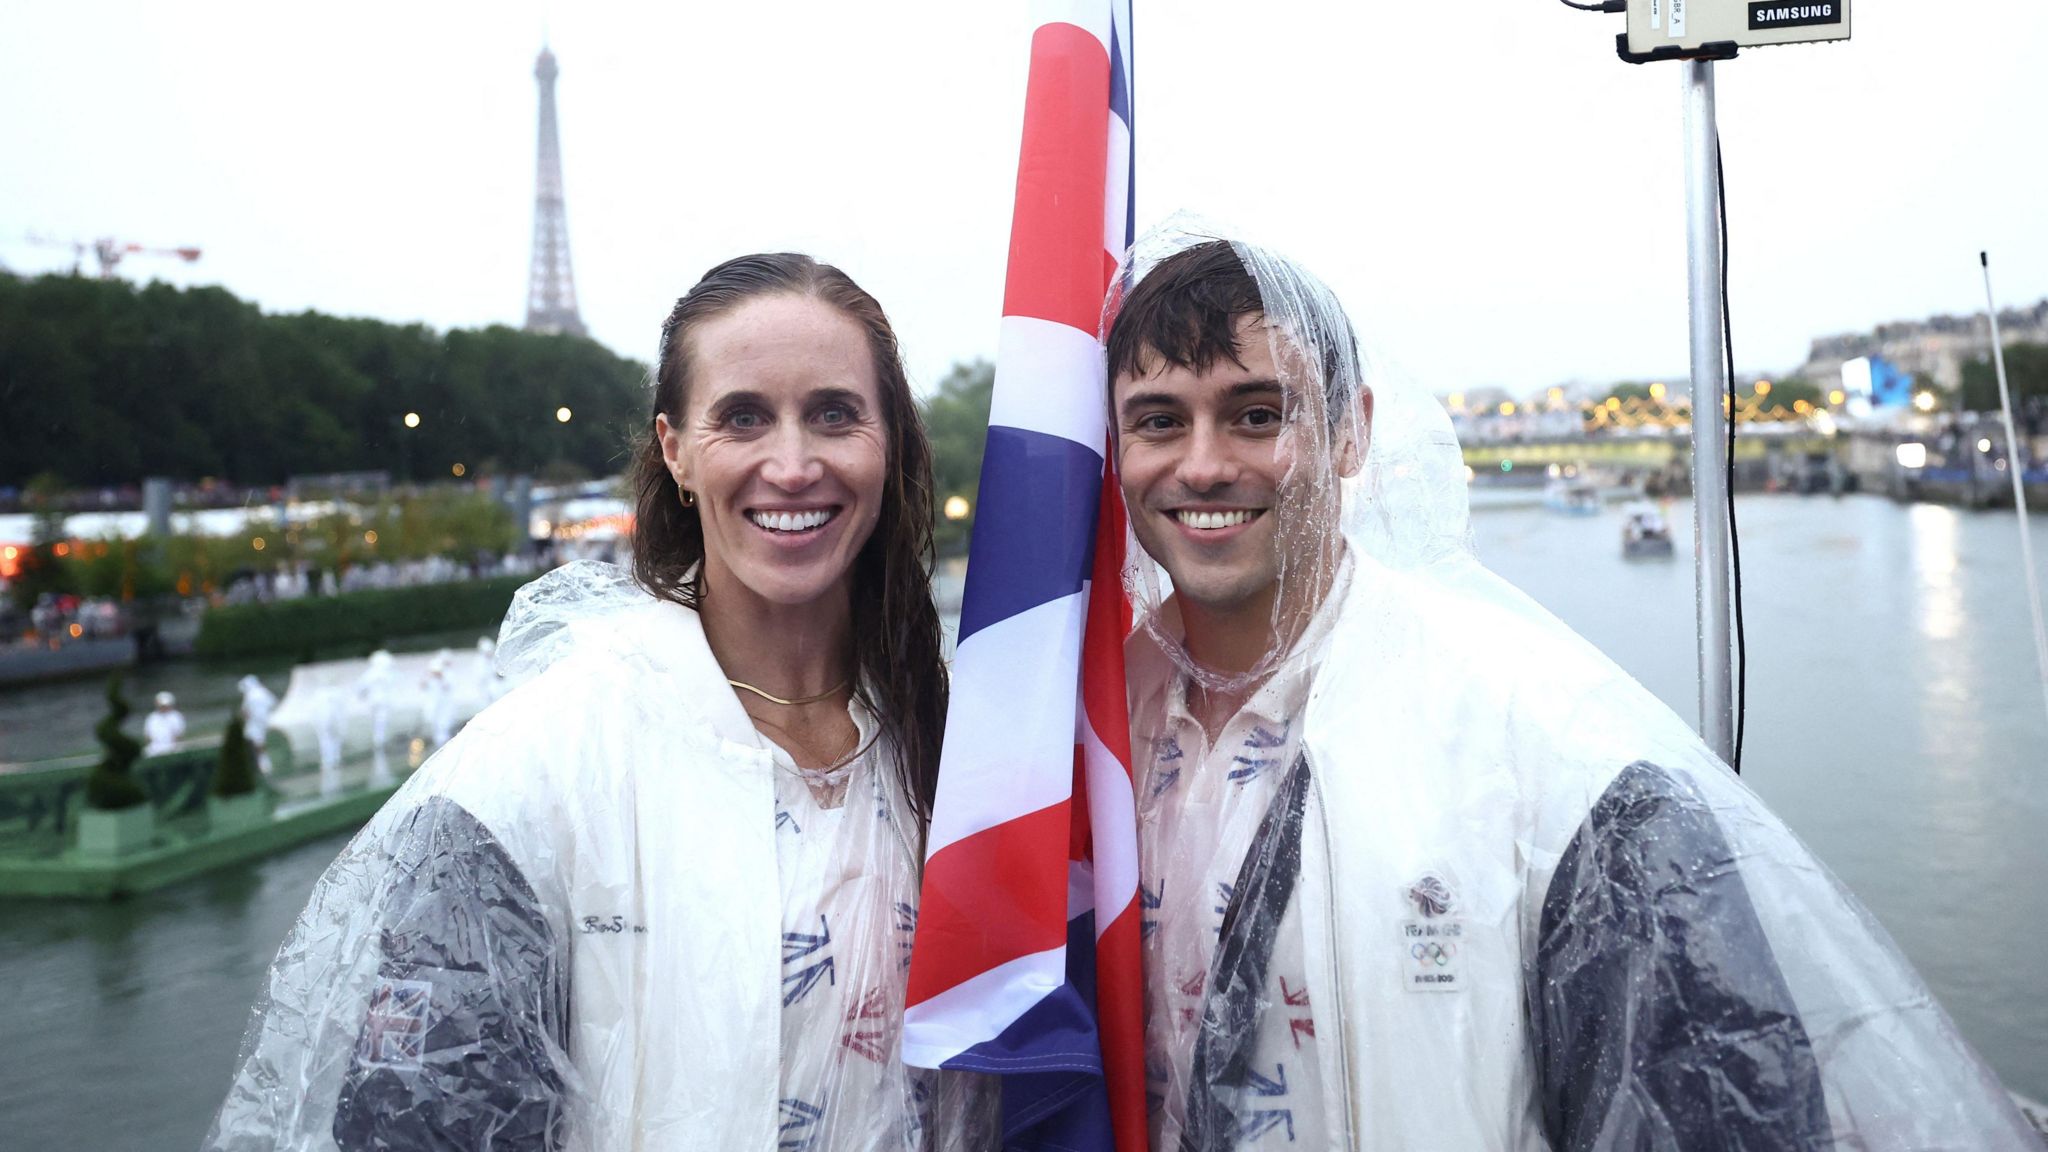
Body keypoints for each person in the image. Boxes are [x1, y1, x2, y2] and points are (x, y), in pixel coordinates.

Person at [1104, 229, 2037, 1150]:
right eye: (1158, 421)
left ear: (1353, 433)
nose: (1203, 464)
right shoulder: (1093, 735)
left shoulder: (1546, 750)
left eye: (1258, 415)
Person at [206, 253, 990, 1151]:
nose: (792, 461)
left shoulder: (947, 744)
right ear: (675, 449)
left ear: (888, 445)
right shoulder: (534, 772)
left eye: (834, 415)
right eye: (743, 417)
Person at [237, 674, 277, 775]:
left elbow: (245, 712)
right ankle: (266, 765)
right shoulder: (264, 692)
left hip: (257, 724)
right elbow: (274, 704)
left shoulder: (250, 695)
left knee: (257, 745)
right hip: (268, 722)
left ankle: (263, 766)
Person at [143, 690, 185, 755]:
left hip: (171, 748)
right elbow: (147, 736)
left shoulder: (176, 716)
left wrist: (172, 748)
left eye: (165, 705)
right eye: (161, 705)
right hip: (154, 748)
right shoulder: (152, 717)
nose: (163, 707)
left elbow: (178, 735)